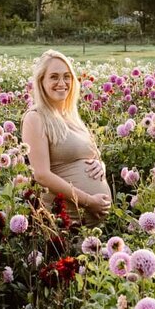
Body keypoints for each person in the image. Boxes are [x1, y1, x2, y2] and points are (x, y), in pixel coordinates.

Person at [22, 50, 111, 224]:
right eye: (54, 77)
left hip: (94, 228)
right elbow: (41, 175)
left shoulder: (72, 116)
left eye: (67, 76)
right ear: (41, 81)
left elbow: (90, 156)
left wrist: (101, 166)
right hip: (63, 225)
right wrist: (88, 201)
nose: (62, 83)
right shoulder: (35, 118)